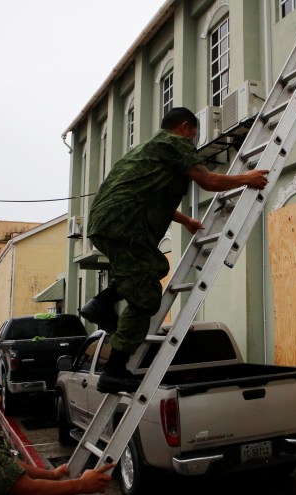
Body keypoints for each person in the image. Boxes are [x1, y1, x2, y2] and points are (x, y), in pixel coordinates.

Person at [81, 106, 268, 394]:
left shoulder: (149, 149)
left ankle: (102, 302)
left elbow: (149, 195)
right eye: (194, 134)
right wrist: (247, 178)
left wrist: (187, 221)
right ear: (184, 127)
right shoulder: (175, 143)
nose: (193, 141)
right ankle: (114, 370)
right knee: (146, 297)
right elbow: (208, 181)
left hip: (110, 221)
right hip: (125, 224)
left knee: (157, 267)